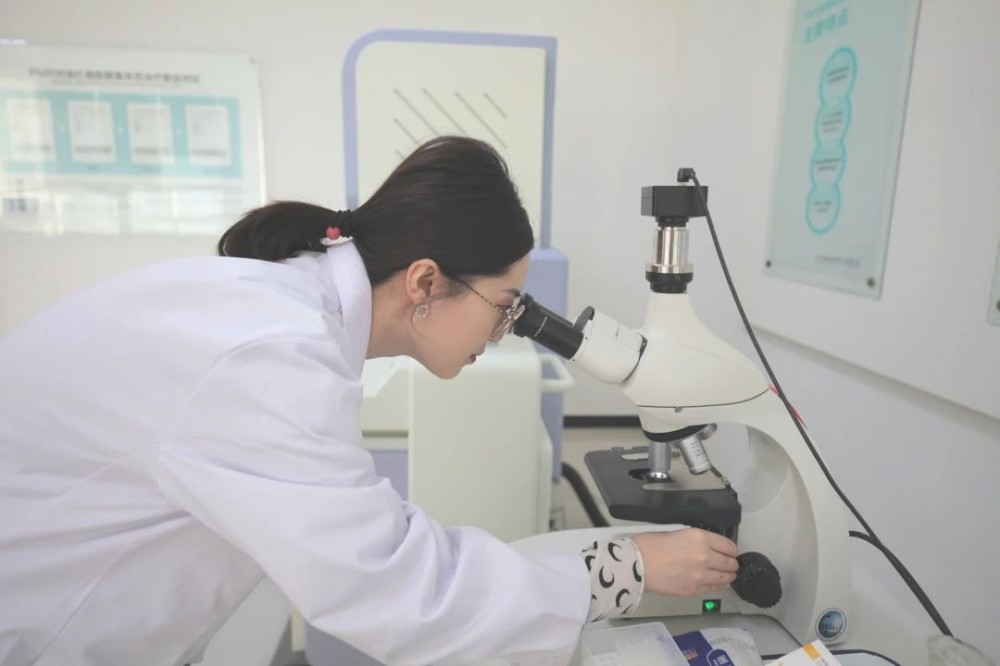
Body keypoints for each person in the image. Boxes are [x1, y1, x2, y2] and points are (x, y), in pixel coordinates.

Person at [0, 136, 738, 666]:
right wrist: (628, 568)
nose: (504, 332)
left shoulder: (284, 310)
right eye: (504, 305)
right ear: (425, 282)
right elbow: (395, 588)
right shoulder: (272, 353)